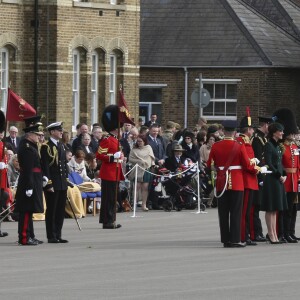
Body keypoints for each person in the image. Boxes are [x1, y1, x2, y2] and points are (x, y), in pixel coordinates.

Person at [207, 120, 259, 248]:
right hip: (237, 182)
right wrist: (257, 169)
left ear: (223, 131)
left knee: (223, 213)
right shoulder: (239, 145)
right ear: (235, 132)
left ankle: (226, 240)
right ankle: (235, 239)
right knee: (236, 212)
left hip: (221, 181)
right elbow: (247, 165)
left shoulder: (216, 146)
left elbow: (209, 164)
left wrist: (219, 169)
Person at [15, 116, 44, 245]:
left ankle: (30, 235)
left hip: (34, 179)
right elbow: (28, 169)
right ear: (30, 134)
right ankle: (25, 237)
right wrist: (29, 186)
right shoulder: (26, 147)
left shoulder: (31, 145)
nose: (39, 137)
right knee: (26, 210)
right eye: (37, 134)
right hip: (29, 181)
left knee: (30, 210)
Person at [41, 121, 70, 243]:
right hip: (53, 183)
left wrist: (66, 181)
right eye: (59, 130)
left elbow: (64, 165)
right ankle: (51, 235)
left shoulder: (61, 145)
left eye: (61, 130)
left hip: (62, 183)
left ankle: (58, 234)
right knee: (52, 210)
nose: (61, 132)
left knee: (60, 210)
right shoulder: (46, 147)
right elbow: (45, 167)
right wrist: (48, 184)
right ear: (52, 132)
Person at [96, 105, 125, 229]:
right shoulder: (107, 139)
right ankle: (107, 221)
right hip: (108, 173)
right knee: (109, 198)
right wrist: (113, 157)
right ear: (116, 129)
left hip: (115, 172)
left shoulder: (115, 140)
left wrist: (120, 156)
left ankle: (111, 219)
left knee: (113, 198)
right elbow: (99, 155)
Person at [261, 122, 288, 244]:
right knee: (270, 208)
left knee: (275, 208)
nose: (282, 133)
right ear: (274, 132)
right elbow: (269, 163)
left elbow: (279, 163)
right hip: (272, 179)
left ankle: (274, 233)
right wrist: (279, 175)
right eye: (280, 131)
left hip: (278, 179)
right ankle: (271, 233)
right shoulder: (268, 145)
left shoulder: (277, 146)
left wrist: (285, 175)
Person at [236, 115, 260, 246]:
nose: (253, 131)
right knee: (244, 210)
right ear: (248, 129)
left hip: (250, 180)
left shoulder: (246, 141)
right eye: (252, 129)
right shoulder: (242, 142)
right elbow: (247, 164)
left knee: (248, 210)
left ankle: (247, 234)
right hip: (246, 179)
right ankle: (243, 236)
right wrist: (258, 169)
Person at [250, 116, 272, 242]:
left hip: (263, 174)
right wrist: (260, 177)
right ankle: (256, 232)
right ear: (266, 125)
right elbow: (258, 159)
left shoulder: (262, 138)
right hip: (259, 176)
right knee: (255, 206)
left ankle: (257, 231)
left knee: (258, 206)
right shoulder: (257, 139)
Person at [128, 134, 155, 211]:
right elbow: (130, 159)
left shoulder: (148, 148)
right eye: (138, 141)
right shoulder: (134, 149)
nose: (139, 143)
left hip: (146, 169)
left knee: (145, 188)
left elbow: (152, 158)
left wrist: (152, 165)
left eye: (141, 141)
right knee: (137, 187)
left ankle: (144, 205)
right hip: (137, 170)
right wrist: (139, 161)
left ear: (144, 141)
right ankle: (134, 205)